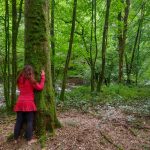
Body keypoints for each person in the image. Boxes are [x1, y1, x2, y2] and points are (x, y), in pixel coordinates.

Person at [13, 65, 45, 145]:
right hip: (29, 103)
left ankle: (15, 139)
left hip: (20, 102)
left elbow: (20, 88)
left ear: (23, 71)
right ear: (31, 72)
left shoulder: (19, 79)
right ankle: (29, 140)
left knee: (18, 121)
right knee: (30, 121)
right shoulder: (31, 80)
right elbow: (40, 87)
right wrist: (43, 77)